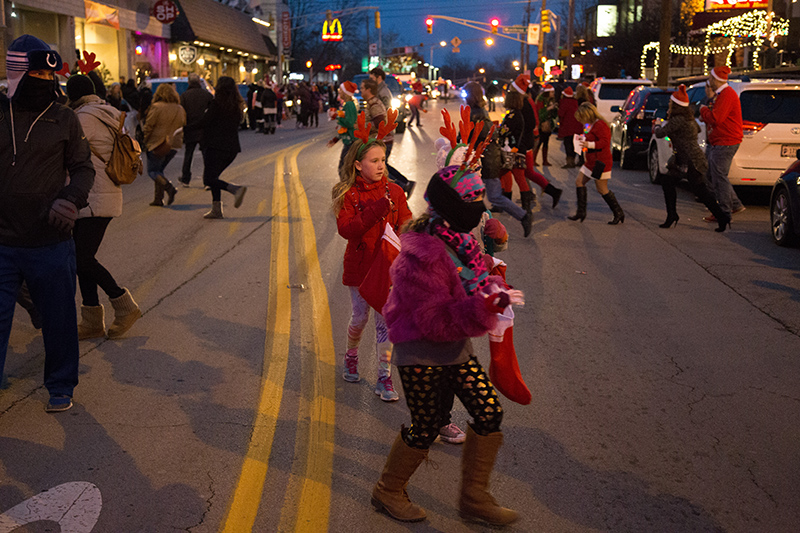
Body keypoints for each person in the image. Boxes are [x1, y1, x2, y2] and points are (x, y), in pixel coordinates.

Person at [372, 164, 521, 526]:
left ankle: (474, 498)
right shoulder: (419, 257)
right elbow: (436, 321)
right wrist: (489, 304)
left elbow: (470, 270)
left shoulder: (460, 240)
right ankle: (388, 490)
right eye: (470, 199)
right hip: (420, 352)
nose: (479, 207)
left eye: (479, 198)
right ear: (449, 204)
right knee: (427, 424)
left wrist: (491, 268)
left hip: (455, 349)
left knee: (488, 411)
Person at [0, 35, 95, 412]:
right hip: (2, 243)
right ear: (17, 73)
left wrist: (71, 198)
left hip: (51, 242)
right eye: (36, 71)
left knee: (58, 320)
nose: (44, 79)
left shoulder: (64, 117)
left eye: (48, 72)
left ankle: (60, 384)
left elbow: (84, 168)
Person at [332, 122, 411, 402]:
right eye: (374, 161)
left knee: (384, 323)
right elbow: (347, 229)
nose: (380, 166)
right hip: (359, 268)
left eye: (383, 160)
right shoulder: (349, 194)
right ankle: (351, 356)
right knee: (360, 317)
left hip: (387, 269)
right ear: (357, 165)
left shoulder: (396, 191)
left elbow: (406, 224)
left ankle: (384, 376)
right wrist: (378, 210)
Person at [66, 74, 142, 339]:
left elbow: (64, 153)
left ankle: (124, 305)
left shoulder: (83, 118)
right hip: (102, 195)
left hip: (93, 196)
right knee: (81, 259)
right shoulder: (108, 112)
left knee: (81, 258)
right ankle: (91, 322)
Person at [653, 85, 730, 232]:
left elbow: (660, 133)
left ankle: (722, 216)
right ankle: (672, 215)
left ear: (675, 105)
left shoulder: (678, 120)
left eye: (671, 103)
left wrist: (657, 125)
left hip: (691, 160)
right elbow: (697, 129)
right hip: (686, 158)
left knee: (700, 190)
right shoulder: (687, 119)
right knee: (668, 181)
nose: (669, 104)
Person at [462, 82, 532, 237]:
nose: (464, 98)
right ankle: (472, 226)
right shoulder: (477, 111)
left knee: (494, 196)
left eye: (466, 94)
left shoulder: (477, 113)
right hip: (483, 159)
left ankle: (523, 216)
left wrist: (461, 139)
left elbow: (478, 134)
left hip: (488, 160)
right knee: (473, 194)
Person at [505, 75, 562, 209]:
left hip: (523, 144)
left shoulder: (524, 104)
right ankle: (552, 191)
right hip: (526, 142)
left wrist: (519, 135)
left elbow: (530, 123)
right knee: (528, 172)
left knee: (520, 172)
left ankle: (525, 200)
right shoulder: (524, 102)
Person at [699, 65, 746, 223]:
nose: (709, 81)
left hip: (726, 141)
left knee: (719, 176)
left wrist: (704, 110)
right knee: (718, 175)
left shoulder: (726, 95)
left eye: (710, 78)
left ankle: (725, 212)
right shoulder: (723, 94)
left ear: (715, 79)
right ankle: (734, 204)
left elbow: (716, 118)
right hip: (722, 140)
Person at [198, 76, 248, 219]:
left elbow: (205, 122)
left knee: (208, 179)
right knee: (214, 177)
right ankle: (216, 209)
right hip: (231, 148)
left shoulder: (216, 104)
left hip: (215, 146)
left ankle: (235, 189)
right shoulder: (236, 106)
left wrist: (185, 128)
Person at [568, 102, 625, 225]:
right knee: (579, 182)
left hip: (600, 162)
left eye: (582, 118)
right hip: (591, 161)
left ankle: (618, 212)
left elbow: (604, 142)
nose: (581, 121)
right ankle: (581, 211)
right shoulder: (592, 125)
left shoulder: (600, 125)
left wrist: (588, 144)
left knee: (602, 189)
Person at [361, 78, 415, 198]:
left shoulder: (375, 103)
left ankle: (401, 186)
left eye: (362, 88)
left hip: (381, 140)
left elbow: (379, 124)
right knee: (383, 166)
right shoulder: (371, 102)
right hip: (381, 140)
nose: (360, 91)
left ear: (368, 90)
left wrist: (365, 131)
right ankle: (405, 183)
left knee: (379, 169)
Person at [143, 83, 185, 207]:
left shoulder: (156, 107)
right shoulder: (179, 108)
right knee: (159, 170)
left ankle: (169, 187)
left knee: (153, 171)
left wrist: (145, 140)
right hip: (174, 145)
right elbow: (184, 123)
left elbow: (148, 126)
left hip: (158, 143)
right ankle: (158, 198)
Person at [180, 73, 213, 187]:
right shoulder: (206, 95)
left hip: (190, 128)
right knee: (206, 155)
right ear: (199, 82)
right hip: (204, 129)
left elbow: (182, 113)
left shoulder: (184, 96)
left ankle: (185, 179)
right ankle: (207, 180)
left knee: (188, 154)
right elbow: (212, 111)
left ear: (189, 82)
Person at [327, 81, 358, 170]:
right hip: (349, 141)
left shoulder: (349, 105)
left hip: (351, 142)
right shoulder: (347, 104)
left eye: (340, 90)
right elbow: (344, 128)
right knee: (345, 167)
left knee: (343, 168)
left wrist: (337, 116)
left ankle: (347, 184)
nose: (339, 92)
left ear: (345, 92)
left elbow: (349, 122)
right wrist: (336, 139)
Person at [532, 84, 556, 166]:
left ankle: (545, 160)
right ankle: (533, 160)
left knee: (545, 143)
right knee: (539, 142)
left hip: (548, 124)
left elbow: (554, 115)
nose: (553, 94)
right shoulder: (541, 100)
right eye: (552, 92)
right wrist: (548, 109)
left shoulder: (550, 101)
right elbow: (539, 113)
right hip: (541, 125)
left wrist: (554, 109)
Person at [558, 86, 582, 168]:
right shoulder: (575, 102)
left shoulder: (564, 102)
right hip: (577, 126)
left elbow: (561, 114)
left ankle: (569, 161)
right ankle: (573, 160)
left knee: (567, 143)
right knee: (574, 144)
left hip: (567, 126)